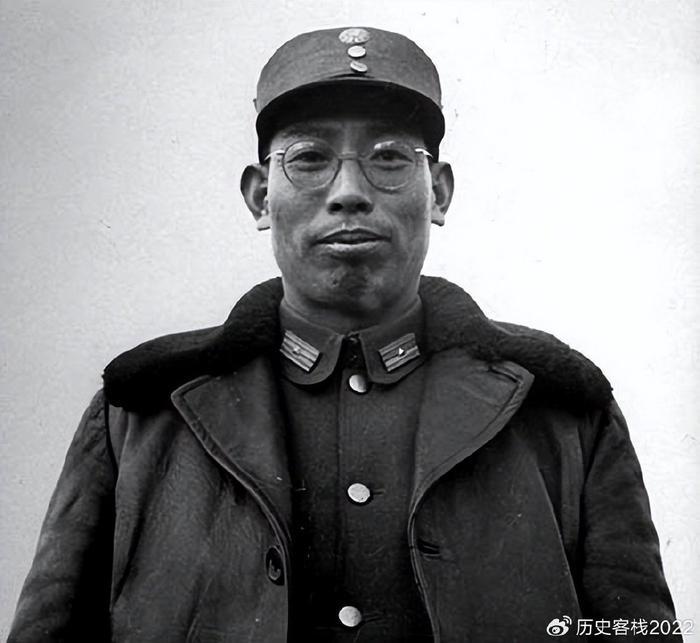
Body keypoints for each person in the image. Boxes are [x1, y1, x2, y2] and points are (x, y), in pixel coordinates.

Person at [9, 26, 678, 643]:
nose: (349, 190)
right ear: (259, 197)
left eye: (389, 157)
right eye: (309, 158)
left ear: (439, 192)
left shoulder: (562, 413)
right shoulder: (139, 415)